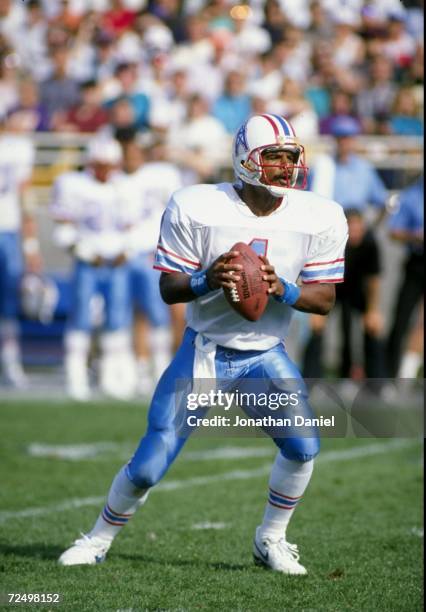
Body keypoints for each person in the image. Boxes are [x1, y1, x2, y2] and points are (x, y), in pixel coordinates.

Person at [58, 114, 348, 575]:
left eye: (291, 157)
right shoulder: (197, 205)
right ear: (245, 160)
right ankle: (96, 538)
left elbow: (325, 299)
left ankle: (271, 539)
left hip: (264, 352)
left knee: (303, 446)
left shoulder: (321, 214)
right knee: (150, 464)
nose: (285, 167)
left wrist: (283, 289)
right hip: (206, 350)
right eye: (273, 156)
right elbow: (170, 288)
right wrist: (206, 277)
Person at [50, 136, 137, 401]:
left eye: (110, 164)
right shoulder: (73, 184)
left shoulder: (125, 186)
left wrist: (128, 249)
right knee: (81, 318)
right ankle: (75, 375)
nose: (107, 170)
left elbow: (134, 226)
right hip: (88, 260)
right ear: (91, 162)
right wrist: (83, 250)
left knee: (117, 318)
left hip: (116, 260)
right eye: (102, 164)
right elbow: (62, 227)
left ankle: (111, 377)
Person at [303, 115, 388, 378]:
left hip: (358, 240)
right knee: (319, 314)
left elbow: (382, 201)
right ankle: (311, 377)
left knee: (358, 316)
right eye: (341, 139)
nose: (345, 144)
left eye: (349, 138)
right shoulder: (324, 167)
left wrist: (368, 228)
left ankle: (356, 374)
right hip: (331, 243)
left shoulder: (363, 169)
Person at [0, 114, 41, 387]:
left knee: (9, 302)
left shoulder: (17, 147)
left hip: (7, 229)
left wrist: (31, 244)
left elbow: (25, 195)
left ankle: (10, 361)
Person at [386, 175, 423, 378]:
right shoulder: (412, 195)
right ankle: (392, 374)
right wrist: (414, 235)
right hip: (417, 261)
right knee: (402, 318)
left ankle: (408, 372)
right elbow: (394, 231)